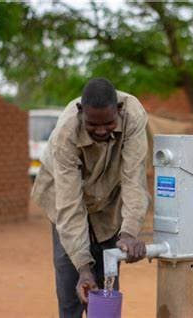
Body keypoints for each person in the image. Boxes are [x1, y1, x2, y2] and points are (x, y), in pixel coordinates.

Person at [31, 78, 149, 317]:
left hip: (107, 202)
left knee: (107, 281)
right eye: (92, 124)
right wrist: (84, 268)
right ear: (80, 112)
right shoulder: (66, 133)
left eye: (108, 123)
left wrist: (128, 233)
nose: (102, 130)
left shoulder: (133, 116)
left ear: (119, 110)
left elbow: (133, 180)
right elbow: (69, 205)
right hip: (64, 196)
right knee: (71, 285)